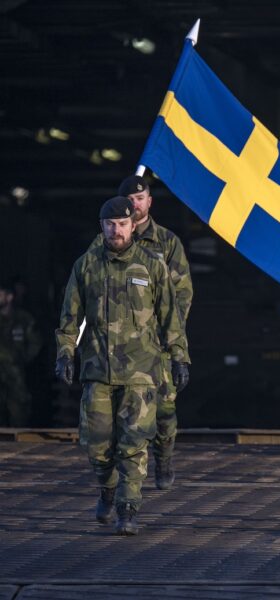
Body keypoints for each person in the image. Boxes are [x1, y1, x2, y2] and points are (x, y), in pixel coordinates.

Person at [55, 196, 190, 535]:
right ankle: (107, 488)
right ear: (101, 227)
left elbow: (169, 316)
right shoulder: (86, 265)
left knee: (133, 444)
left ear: (133, 225)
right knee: (97, 444)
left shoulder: (151, 264)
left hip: (141, 372)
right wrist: (64, 353)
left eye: (122, 224)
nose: (116, 230)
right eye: (110, 224)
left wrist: (179, 357)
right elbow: (71, 317)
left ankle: (128, 509)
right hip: (97, 369)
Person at [118, 174, 193, 490]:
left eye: (140, 199)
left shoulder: (167, 242)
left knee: (164, 412)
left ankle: (163, 457)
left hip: (158, 344)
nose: (135, 205)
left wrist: (170, 337)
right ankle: (125, 481)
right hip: (120, 346)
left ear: (149, 201)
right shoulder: (112, 241)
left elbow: (183, 293)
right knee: (120, 414)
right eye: (129, 200)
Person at [0, 279, 41, 426]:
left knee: (19, 414)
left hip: (16, 376)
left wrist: (20, 359)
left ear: (9, 297)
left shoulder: (23, 319)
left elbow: (35, 343)